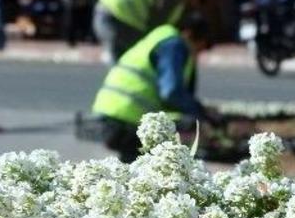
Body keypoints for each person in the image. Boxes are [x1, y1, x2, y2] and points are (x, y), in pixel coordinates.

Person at [91, 13, 216, 162]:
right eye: (199, 48)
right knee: (145, 170)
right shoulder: (174, 45)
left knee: (135, 166)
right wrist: (199, 112)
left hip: (111, 111)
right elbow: (171, 91)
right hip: (126, 117)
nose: (196, 55)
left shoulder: (161, 35)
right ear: (189, 34)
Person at [93, 0, 211, 64]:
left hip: (113, 12)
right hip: (115, 16)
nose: (193, 5)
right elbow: (156, 29)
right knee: (134, 61)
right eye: (197, 1)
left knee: (134, 58)